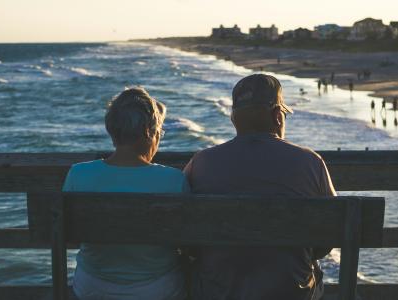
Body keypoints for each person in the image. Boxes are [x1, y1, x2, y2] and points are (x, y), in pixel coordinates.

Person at [184, 74, 336, 300]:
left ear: (234, 119)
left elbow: (186, 237)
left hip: (218, 292)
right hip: (291, 292)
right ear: (277, 117)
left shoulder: (201, 162)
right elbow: (329, 236)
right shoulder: (311, 162)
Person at [63, 87, 188, 300]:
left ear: (112, 131)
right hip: (157, 290)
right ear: (150, 132)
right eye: (160, 132)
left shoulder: (78, 174)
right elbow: (188, 243)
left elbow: (69, 236)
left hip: (92, 288)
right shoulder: (174, 180)